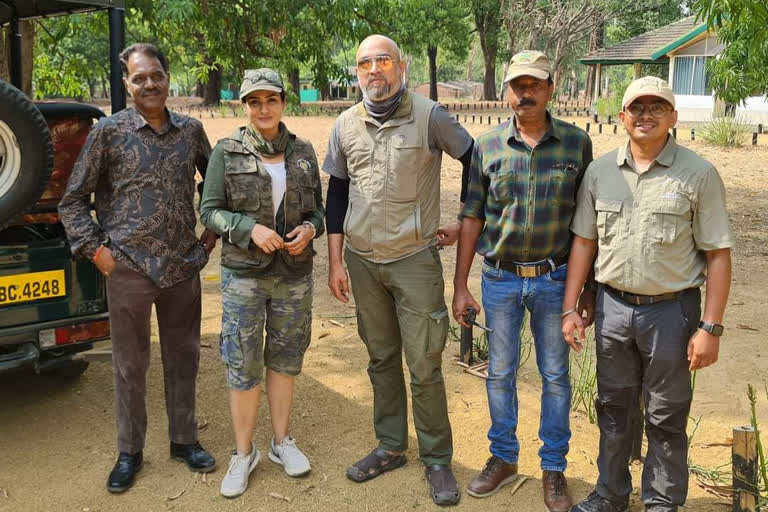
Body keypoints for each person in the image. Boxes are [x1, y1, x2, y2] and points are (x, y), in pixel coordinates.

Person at [564, 76, 733, 512]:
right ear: (622, 117)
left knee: (666, 414)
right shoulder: (600, 172)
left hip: (672, 314)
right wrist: (573, 306)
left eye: (657, 107)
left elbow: (717, 254)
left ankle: (661, 501)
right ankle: (610, 493)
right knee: (614, 408)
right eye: (637, 107)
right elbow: (585, 242)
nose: (646, 115)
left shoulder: (698, 174)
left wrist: (710, 327)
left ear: (673, 118)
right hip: (613, 309)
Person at [59, 43, 218, 493]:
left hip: (181, 268)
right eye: (139, 77)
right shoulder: (108, 133)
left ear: (168, 77)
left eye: (156, 75)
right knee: (130, 365)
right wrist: (95, 251)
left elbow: (216, 186)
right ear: (127, 83)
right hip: (126, 267)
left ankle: (184, 441)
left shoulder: (190, 131)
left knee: (183, 357)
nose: (149, 84)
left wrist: (210, 235)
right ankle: (130, 451)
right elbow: (72, 200)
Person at [322, 34, 473, 506]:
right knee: (380, 358)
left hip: (414, 260)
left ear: (400, 66)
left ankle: (437, 459)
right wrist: (334, 261)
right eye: (365, 62)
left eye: (382, 60)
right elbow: (337, 194)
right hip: (363, 263)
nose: (374, 70)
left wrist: (465, 220)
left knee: (424, 364)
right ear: (356, 71)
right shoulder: (345, 124)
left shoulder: (428, 116)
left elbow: (474, 158)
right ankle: (390, 446)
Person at [452, 50, 593, 512]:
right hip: (501, 280)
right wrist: (460, 284)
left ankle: (554, 468)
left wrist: (582, 293)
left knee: (555, 376)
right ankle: (503, 457)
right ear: (507, 92)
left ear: (551, 88)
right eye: (516, 85)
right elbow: (472, 216)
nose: (524, 93)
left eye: (533, 84)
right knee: (500, 372)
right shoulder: (486, 146)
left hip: (554, 281)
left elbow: (585, 226)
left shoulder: (577, 144)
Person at [199, 68, 324, 498]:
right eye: (255, 101)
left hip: (293, 276)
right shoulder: (226, 152)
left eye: (271, 100)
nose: (264, 109)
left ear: (284, 103)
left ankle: (280, 443)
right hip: (245, 278)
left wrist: (309, 230)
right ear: (245, 106)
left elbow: (319, 214)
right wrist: (248, 229)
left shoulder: (304, 152)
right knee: (243, 363)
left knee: (285, 360)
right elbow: (209, 211)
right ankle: (243, 452)